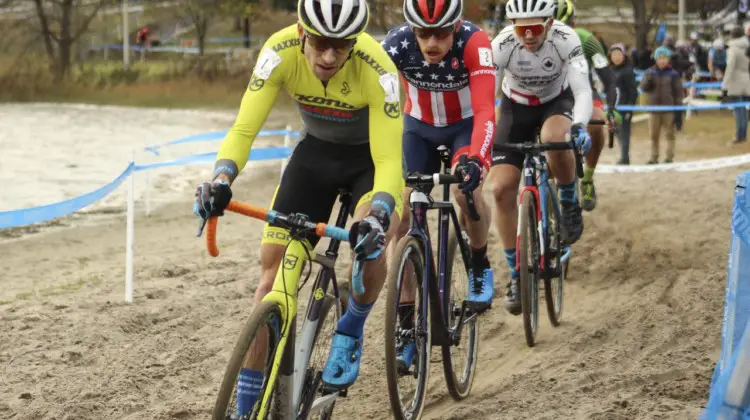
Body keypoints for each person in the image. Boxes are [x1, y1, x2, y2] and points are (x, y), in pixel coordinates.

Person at [192, 0, 404, 412]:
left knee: (375, 238)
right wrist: (221, 178)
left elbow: (389, 163)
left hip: (369, 163)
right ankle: (247, 407)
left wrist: (379, 213)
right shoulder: (278, 51)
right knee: (270, 281)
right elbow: (244, 127)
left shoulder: (378, 69)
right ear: (302, 32)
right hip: (314, 159)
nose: (329, 56)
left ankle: (352, 326)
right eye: (321, 43)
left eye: (341, 46)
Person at [384, 0, 496, 320]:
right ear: (411, 29)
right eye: (423, 33)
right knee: (403, 210)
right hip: (418, 131)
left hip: (465, 129)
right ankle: (405, 316)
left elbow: (486, 109)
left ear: (456, 27)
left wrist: (476, 158)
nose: (432, 43)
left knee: (467, 193)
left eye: (442, 34)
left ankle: (479, 263)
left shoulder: (475, 42)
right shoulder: (396, 44)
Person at [490, 0, 593, 314]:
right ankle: (516, 270)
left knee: (553, 139)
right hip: (514, 107)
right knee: (500, 189)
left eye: (535, 27)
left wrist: (579, 126)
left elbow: (583, 90)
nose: (529, 35)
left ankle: (568, 199)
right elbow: (486, 95)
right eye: (522, 28)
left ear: (550, 24)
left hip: (555, 101)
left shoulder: (566, 39)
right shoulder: (503, 45)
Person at [553, 0, 618, 212]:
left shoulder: (586, 39)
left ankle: (588, 179)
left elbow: (608, 78)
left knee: (597, 124)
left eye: (567, 27)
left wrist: (611, 109)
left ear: (574, 23)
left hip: (585, 92)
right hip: (553, 96)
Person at [639, 46, 683, 164]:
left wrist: (679, 108)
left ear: (668, 59)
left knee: (669, 134)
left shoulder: (673, 74)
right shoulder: (649, 72)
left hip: (669, 109)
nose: (662, 60)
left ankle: (669, 157)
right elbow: (642, 88)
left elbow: (678, 92)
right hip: (653, 109)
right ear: (656, 59)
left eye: (664, 58)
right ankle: (654, 157)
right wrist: (647, 80)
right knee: (653, 135)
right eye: (660, 58)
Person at [609, 43, 638, 165]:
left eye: (619, 54)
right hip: (612, 108)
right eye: (614, 55)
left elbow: (633, 91)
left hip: (624, 107)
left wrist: (629, 109)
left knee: (624, 132)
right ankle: (623, 153)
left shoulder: (628, 71)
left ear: (624, 55)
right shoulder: (609, 71)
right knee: (616, 131)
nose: (616, 57)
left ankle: (625, 157)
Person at [722, 25, 750, 144]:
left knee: (738, 111)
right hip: (747, 79)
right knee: (744, 110)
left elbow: (730, 67)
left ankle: (740, 136)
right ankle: (743, 135)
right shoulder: (747, 46)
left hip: (735, 81)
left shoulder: (733, 48)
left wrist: (725, 85)